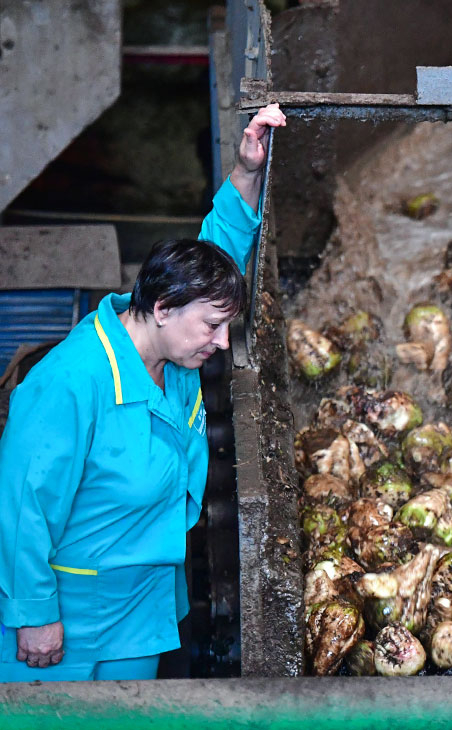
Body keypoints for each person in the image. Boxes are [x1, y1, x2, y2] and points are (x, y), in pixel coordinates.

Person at [0, 104, 286, 681]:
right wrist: (33, 613)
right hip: (70, 621)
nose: (222, 341)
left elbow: (215, 263)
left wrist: (248, 170)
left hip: (144, 605)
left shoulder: (173, 349)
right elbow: (20, 504)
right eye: (212, 327)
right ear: (161, 308)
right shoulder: (70, 381)